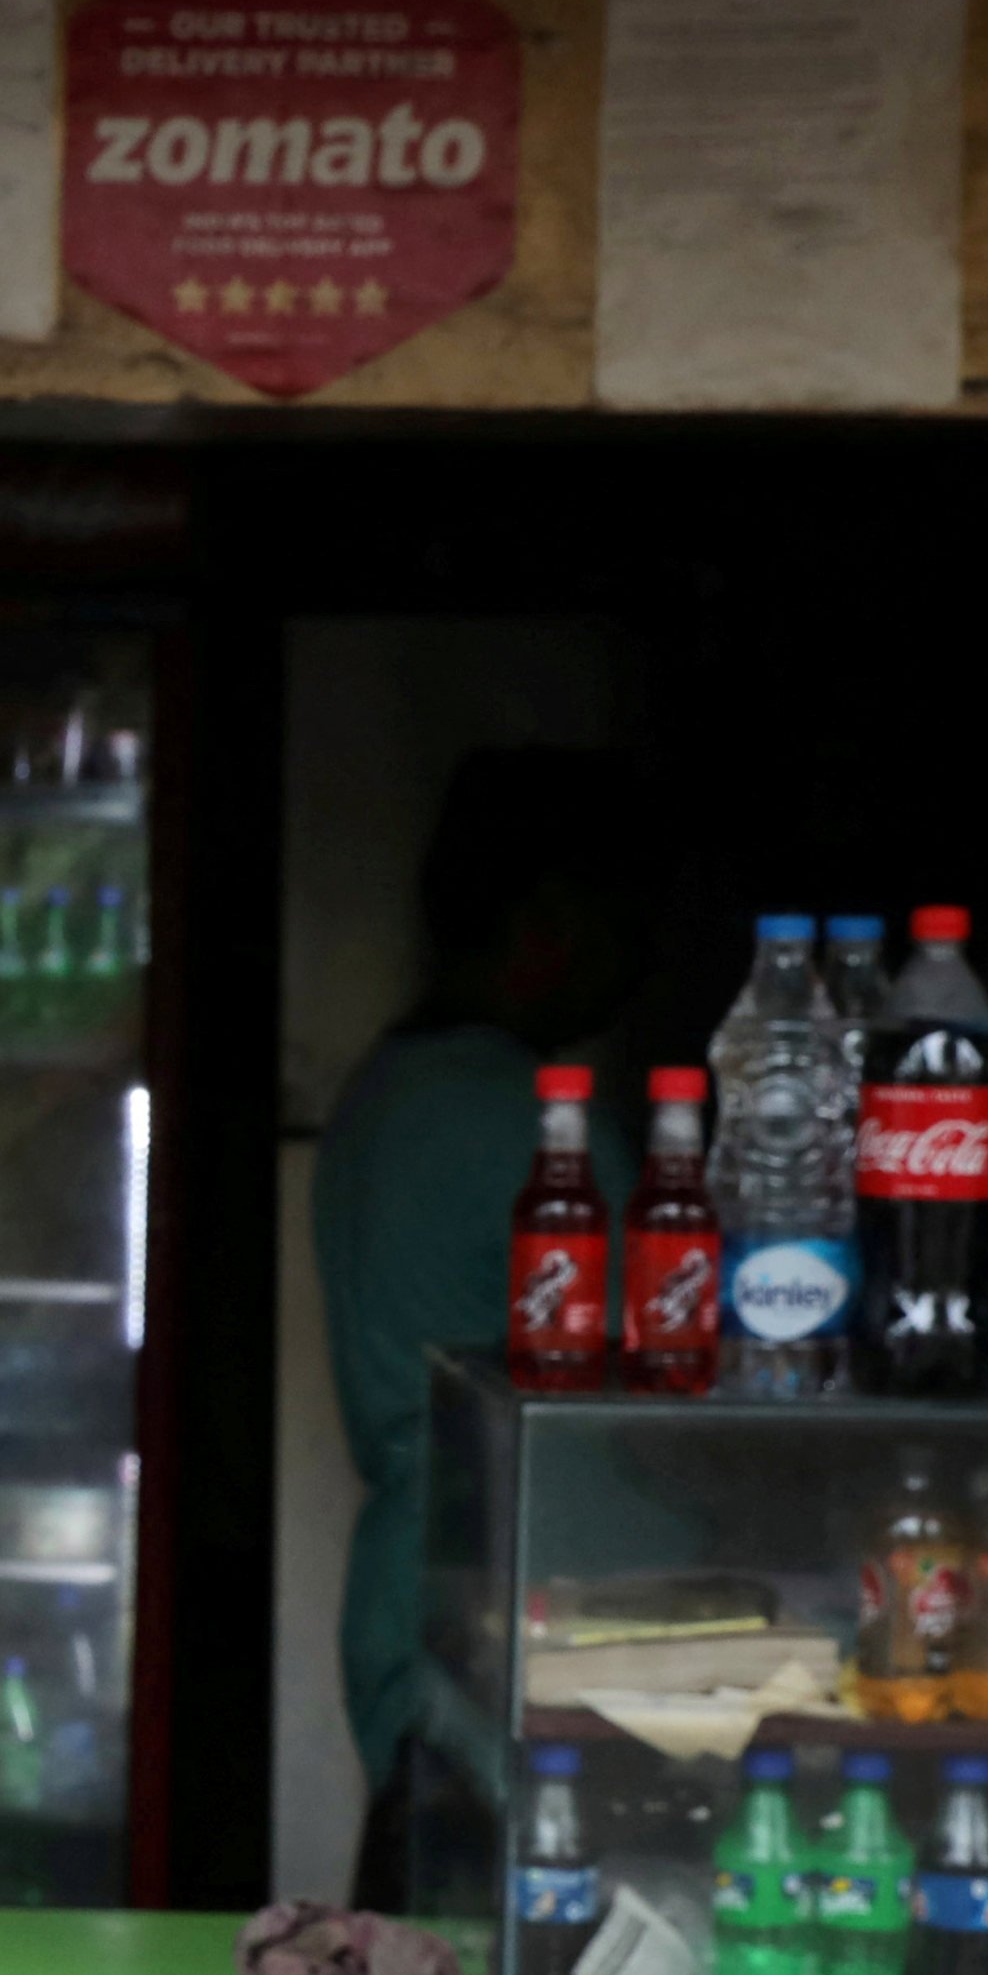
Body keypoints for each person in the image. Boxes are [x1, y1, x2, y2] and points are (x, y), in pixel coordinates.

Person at [312, 748, 639, 1899]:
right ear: (546, 922)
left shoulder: (386, 1092)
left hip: (423, 1596)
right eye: (615, 918)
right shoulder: (526, 1125)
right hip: (502, 1609)